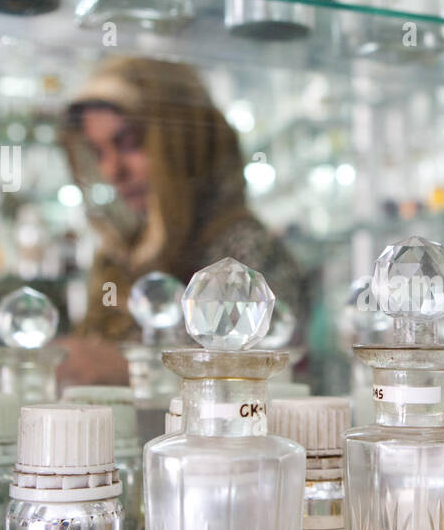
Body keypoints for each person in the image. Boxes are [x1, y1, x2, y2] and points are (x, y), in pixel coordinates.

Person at [55, 57, 305, 386]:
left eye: (129, 143)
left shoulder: (245, 252)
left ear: (183, 145)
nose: (111, 171)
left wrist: (124, 370)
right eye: (98, 152)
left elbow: (256, 390)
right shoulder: (120, 255)